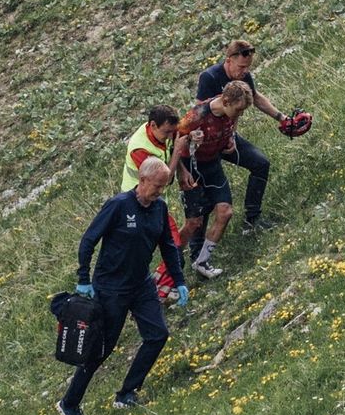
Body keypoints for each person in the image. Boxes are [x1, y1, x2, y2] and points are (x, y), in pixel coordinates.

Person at [57, 158, 189, 415]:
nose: (160, 191)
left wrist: (179, 280)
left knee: (157, 335)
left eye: (164, 186)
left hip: (141, 285)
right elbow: (88, 240)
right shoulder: (118, 205)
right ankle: (69, 403)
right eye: (157, 186)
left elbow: (167, 245)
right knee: (101, 349)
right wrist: (83, 278)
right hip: (111, 289)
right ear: (142, 180)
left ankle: (127, 393)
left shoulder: (159, 208)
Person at [195, 40, 296, 233]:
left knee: (261, 164)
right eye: (241, 67)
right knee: (204, 200)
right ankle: (197, 246)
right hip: (206, 144)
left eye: (248, 67)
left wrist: (282, 118)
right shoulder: (209, 77)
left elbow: (255, 97)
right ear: (228, 60)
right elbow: (198, 112)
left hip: (227, 138)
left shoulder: (243, 77)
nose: (245, 71)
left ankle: (252, 220)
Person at [175, 80, 254, 279]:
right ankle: (170, 267)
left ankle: (202, 262)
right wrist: (181, 169)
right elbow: (173, 140)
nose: (240, 114)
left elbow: (232, 124)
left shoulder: (231, 111)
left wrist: (231, 139)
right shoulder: (197, 114)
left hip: (212, 165)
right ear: (225, 101)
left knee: (225, 212)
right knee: (194, 222)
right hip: (191, 167)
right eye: (238, 110)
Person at [118, 106, 190, 193]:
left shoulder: (161, 129)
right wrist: (177, 151)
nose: (171, 137)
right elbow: (164, 180)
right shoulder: (140, 149)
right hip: (137, 196)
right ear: (153, 125)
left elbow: (171, 149)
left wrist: (181, 170)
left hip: (155, 193)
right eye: (167, 132)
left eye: (172, 131)